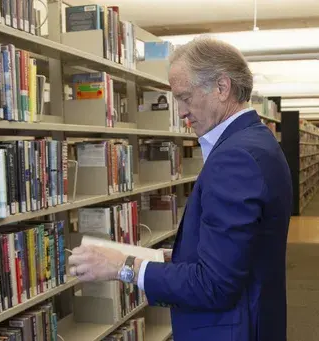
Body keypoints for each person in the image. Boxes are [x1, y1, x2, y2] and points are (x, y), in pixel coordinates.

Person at [68, 36, 293, 341]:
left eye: (185, 97)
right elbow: (241, 249)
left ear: (222, 88)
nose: (181, 111)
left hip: (231, 329)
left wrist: (124, 266)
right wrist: (179, 257)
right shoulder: (256, 141)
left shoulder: (236, 157)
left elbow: (214, 284)